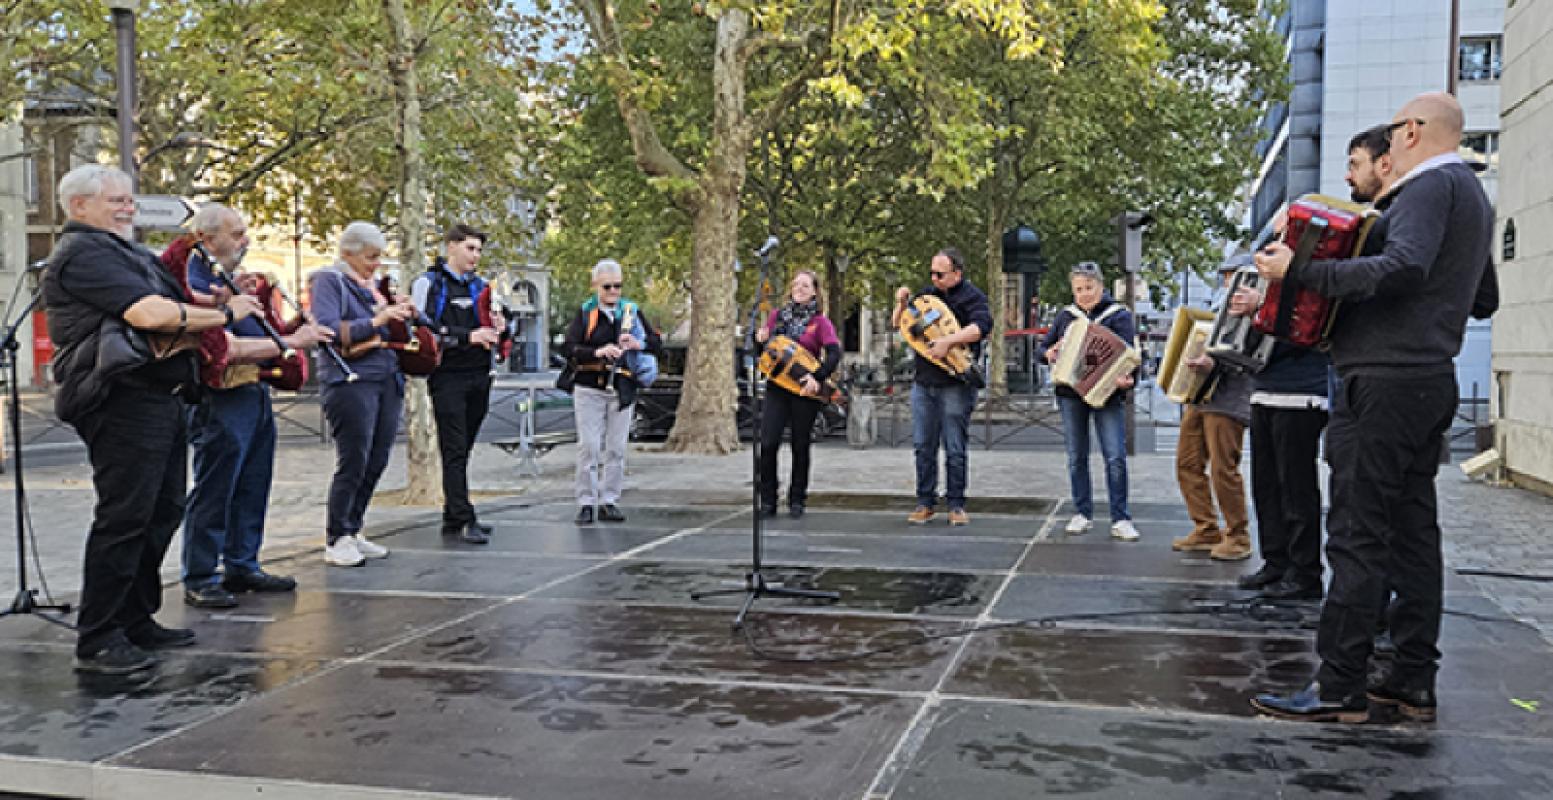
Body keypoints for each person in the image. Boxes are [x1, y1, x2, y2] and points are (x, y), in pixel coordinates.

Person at [1251, 93, 1499, 723]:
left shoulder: (1423, 189)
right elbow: (1485, 298)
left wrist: (1301, 274)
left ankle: (1339, 684)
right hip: (1426, 378)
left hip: (1383, 383)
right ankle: (1411, 677)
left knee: (1358, 533)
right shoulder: (1471, 194)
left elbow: (1404, 266)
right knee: (1414, 533)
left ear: (1411, 132)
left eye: (1393, 134)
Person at [43, 165, 268, 673]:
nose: (128, 208)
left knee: (162, 509)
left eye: (129, 199)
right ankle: (98, 637)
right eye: (115, 201)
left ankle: (135, 617)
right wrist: (228, 313)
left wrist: (215, 300)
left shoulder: (128, 252)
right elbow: (150, 315)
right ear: (79, 206)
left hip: (160, 392)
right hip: (119, 396)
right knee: (125, 515)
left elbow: (176, 304)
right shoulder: (82, 253)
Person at [1234, 124, 1395, 601]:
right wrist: (1254, 308)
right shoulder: (1279, 268)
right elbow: (1270, 319)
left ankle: (1303, 572)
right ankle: (1276, 560)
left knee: (1295, 482)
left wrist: (1263, 310)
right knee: (1266, 481)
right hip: (1265, 383)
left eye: (1287, 226)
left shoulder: (1317, 266)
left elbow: (1309, 322)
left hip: (1301, 387)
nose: (1280, 231)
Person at [181, 204, 327, 607]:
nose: (245, 241)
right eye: (237, 233)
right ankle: (200, 573)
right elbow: (217, 347)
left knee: (253, 482)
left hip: (255, 391)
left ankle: (242, 562)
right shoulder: (191, 279)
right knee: (216, 487)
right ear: (207, 240)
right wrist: (289, 343)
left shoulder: (224, 279)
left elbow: (258, 329)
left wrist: (294, 328)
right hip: (221, 395)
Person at [311, 221, 414, 567]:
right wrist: (377, 319)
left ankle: (353, 528)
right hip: (351, 380)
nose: (376, 265)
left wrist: (404, 311)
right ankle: (336, 536)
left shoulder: (377, 287)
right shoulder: (329, 280)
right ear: (347, 253)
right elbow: (326, 328)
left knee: (377, 458)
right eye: (370, 257)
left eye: (379, 258)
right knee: (353, 459)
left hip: (386, 376)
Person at [410, 224, 503, 545]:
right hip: (447, 375)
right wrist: (467, 337)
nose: (475, 256)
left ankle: (454, 512)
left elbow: (494, 325)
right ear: (451, 247)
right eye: (470, 248)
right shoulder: (429, 283)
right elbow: (420, 329)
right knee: (453, 448)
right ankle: (464, 517)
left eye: (479, 250)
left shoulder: (481, 287)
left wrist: (501, 328)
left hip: (480, 373)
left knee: (463, 449)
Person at [892, 247, 991, 526]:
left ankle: (956, 504)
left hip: (956, 382)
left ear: (957, 273)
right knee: (923, 445)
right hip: (924, 383)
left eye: (940, 274)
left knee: (955, 447)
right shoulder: (928, 297)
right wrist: (901, 303)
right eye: (931, 273)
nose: (934, 278)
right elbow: (901, 325)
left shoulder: (973, 297)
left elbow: (980, 327)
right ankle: (925, 502)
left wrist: (949, 342)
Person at [1041, 261, 1140, 541]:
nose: (1084, 294)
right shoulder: (1065, 317)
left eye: (1089, 288)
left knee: (1115, 457)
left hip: (1106, 394)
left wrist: (1128, 378)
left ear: (1101, 286)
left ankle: (1121, 518)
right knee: (1076, 456)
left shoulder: (1118, 316)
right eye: (1078, 289)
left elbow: (1130, 355)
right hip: (1071, 395)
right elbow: (1042, 349)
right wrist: (1050, 353)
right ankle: (1082, 512)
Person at [562, 259, 662, 525]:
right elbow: (569, 347)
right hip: (589, 385)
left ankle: (609, 499)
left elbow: (656, 343)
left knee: (616, 448)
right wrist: (597, 351)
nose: (613, 292)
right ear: (596, 286)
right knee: (590, 446)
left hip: (621, 386)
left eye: (618, 286)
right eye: (607, 287)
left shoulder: (631, 311)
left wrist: (638, 343)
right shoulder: (586, 313)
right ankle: (585, 501)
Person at [1170, 261, 1253, 560]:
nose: (1229, 284)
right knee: (1187, 462)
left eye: (1234, 278)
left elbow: (1252, 357)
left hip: (1229, 399)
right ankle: (1206, 529)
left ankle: (1238, 536)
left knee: (1223, 468)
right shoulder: (1221, 309)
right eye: (1227, 277)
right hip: (1200, 396)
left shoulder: (1256, 314)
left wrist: (1214, 363)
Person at [755, 270, 842, 519]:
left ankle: (797, 498)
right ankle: (768, 498)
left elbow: (834, 353)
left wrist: (818, 378)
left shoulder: (820, 323)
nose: (799, 289)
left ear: (815, 291)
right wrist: (759, 340)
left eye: (805, 285)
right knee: (768, 442)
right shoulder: (776, 317)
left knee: (800, 445)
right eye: (796, 285)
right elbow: (764, 352)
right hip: (777, 387)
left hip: (805, 390)